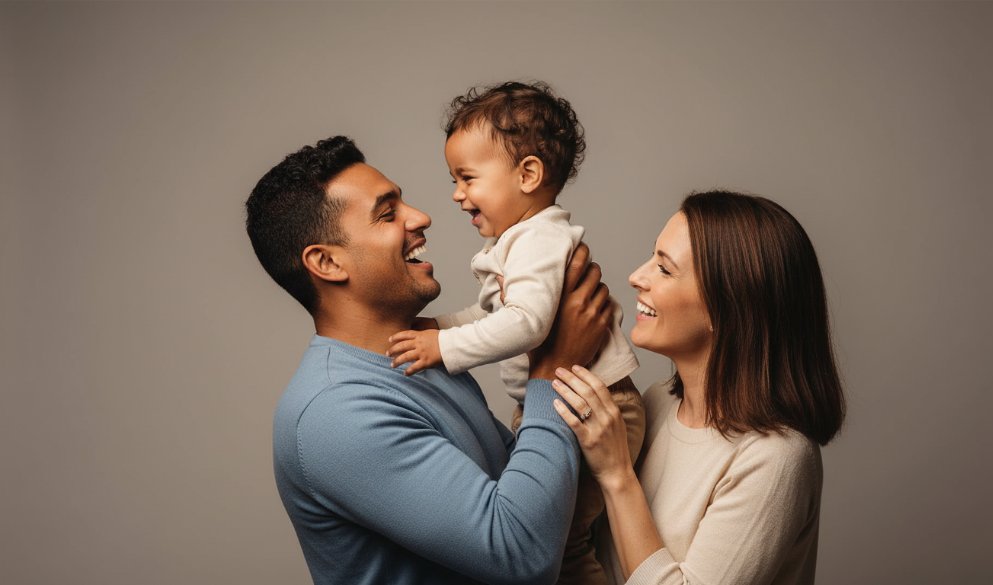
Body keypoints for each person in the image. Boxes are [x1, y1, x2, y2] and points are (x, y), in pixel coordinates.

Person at [244, 135, 616, 585]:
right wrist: (554, 369)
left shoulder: (419, 358)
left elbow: (522, 489)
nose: (421, 217)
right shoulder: (334, 413)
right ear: (326, 262)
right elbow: (521, 555)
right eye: (387, 214)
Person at [387, 82, 645, 585]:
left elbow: (526, 324)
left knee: (563, 548)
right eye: (454, 180)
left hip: (597, 406)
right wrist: (440, 325)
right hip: (559, 404)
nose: (457, 194)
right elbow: (499, 315)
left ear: (528, 174)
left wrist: (444, 346)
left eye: (467, 178)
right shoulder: (519, 240)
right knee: (562, 540)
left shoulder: (539, 238)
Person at [550, 191, 846, 585]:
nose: (637, 276)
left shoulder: (777, 458)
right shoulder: (655, 403)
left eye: (664, 269)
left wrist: (617, 474)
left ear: (727, 308)